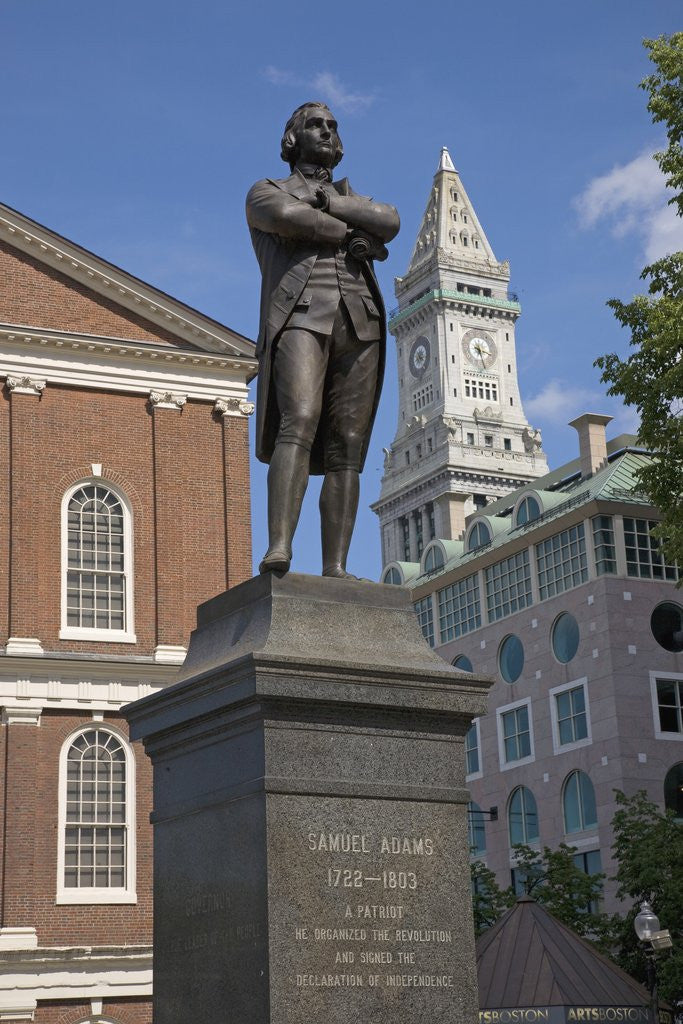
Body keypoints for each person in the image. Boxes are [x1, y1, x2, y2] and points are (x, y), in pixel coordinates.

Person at [246, 101, 399, 578]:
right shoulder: (266, 191)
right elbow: (289, 218)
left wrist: (331, 202)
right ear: (292, 138)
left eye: (333, 126)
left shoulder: (352, 196)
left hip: (361, 321)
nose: (327, 132)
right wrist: (352, 227)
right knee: (301, 419)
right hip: (301, 315)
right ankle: (279, 547)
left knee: (348, 445)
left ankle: (336, 566)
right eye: (316, 125)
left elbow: (390, 221)